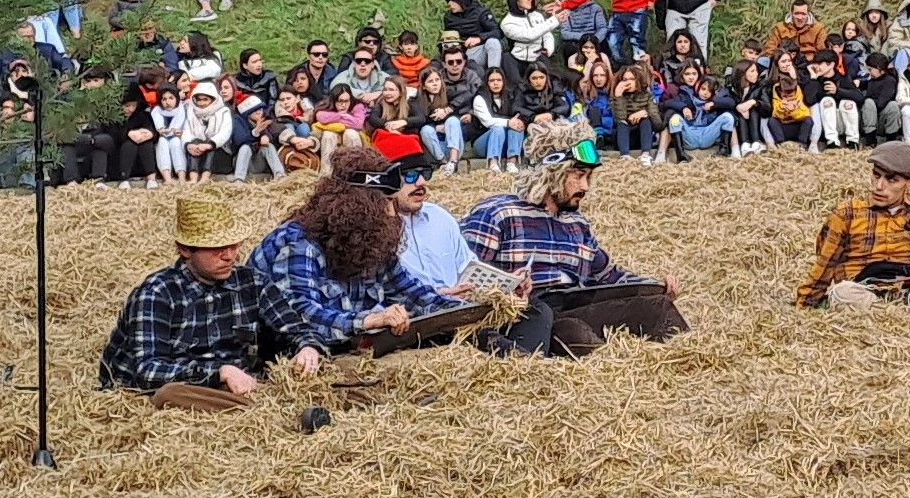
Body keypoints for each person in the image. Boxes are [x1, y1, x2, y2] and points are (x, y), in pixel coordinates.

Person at [459, 120, 686, 353]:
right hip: (524, 315)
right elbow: (462, 276)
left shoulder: (577, 224)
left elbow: (608, 276)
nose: (586, 186)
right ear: (552, 173)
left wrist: (653, 287)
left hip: (574, 303)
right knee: (573, 333)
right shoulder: (498, 214)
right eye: (578, 175)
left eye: (588, 177)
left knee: (656, 307)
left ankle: (685, 363)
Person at [98, 188, 326, 409]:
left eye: (233, 245)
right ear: (185, 250)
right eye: (216, 248)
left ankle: (258, 405)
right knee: (169, 395)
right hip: (189, 387)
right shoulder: (157, 294)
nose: (229, 256)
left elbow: (296, 327)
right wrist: (219, 373)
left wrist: (307, 348)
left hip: (241, 384)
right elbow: (148, 371)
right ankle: (257, 408)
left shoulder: (252, 283)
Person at [244, 146, 451, 353]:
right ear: (354, 208)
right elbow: (301, 317)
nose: (391, 214)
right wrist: (368, 321)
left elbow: (411, 292)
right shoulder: (298, 243)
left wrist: (460, 311)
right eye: (383, 204)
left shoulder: (371, 241)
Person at [793, 141, 910, 308]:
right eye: (876, 176)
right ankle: (899, 315)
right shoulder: (847, 213)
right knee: (842, 293)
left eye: (892, 180)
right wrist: (805, 303)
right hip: (862, 293)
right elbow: (824, 265)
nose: (879, 186)